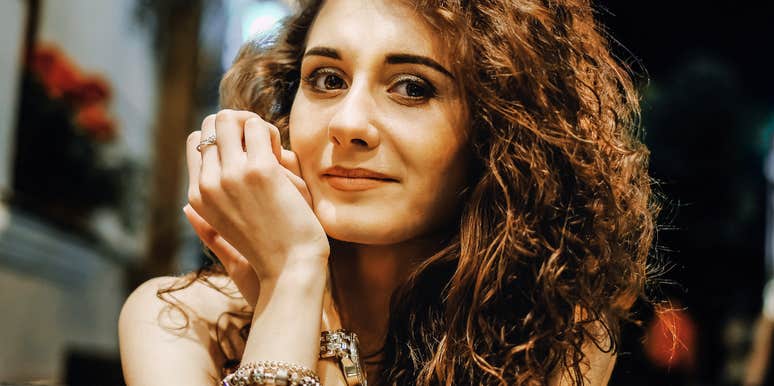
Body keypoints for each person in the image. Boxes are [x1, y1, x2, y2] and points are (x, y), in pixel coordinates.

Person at [118, 0, 656, 385]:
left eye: (412, 87)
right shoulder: (181, 321)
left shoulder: (552, 329)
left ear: (500, 132)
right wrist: (292, 277)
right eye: (327, 79)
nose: (349, 123)